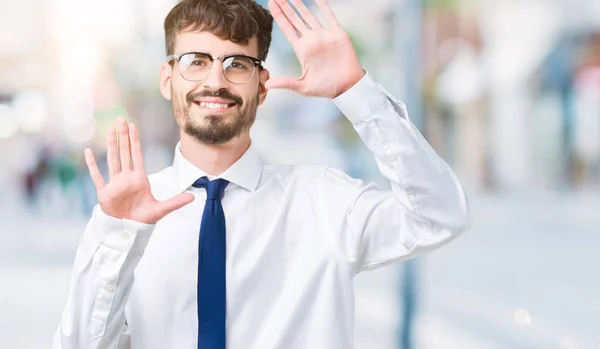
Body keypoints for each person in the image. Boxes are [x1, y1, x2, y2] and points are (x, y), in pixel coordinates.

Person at [53, 0, 471, 348]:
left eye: (237, 64)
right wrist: (121, 236)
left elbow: (440, 216)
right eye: (195, 62)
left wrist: (355, 92)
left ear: (262, 84)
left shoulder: (323, 200)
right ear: (168, 79)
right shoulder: (126, 218)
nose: (215, 81)